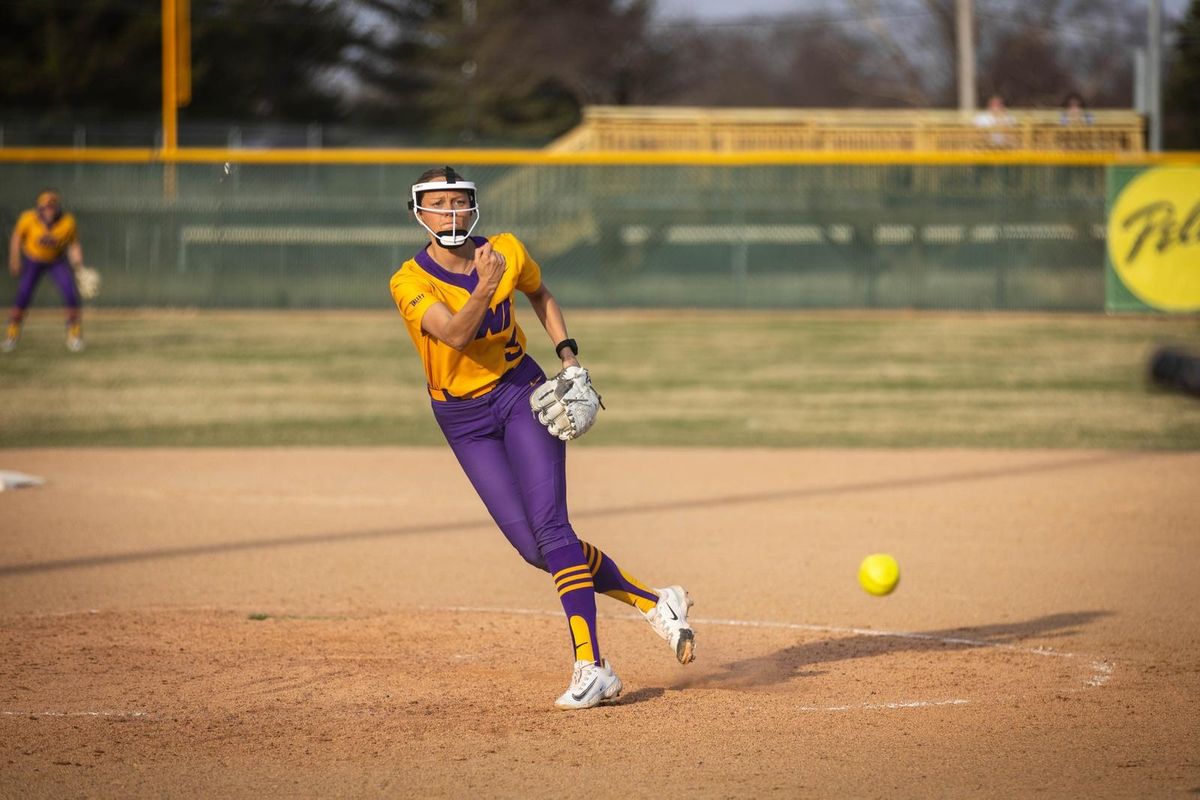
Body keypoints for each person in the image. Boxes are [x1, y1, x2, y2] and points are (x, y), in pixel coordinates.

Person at [388, 166, 696, 710]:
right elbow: (456, 334)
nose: (450, 213)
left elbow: (541, 293)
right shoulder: (408, 281)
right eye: (438, 204)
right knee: (536, 550)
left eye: (458, 202)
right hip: (460, 418)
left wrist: (568, 357)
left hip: (519, 393)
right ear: (419, 213)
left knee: (553, 528)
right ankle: (656, 602)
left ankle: (592, 666)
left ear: (472, 205)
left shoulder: (506, 249)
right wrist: (485, 283)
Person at [5, 190, 87, 353]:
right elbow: (16, 238)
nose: (49, 210)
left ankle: (74, 336)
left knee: (70, 293)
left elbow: (74, 244)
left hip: (56, 260)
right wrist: (15, 259)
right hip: (33, 260)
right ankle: (11, 335)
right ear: (39, 208)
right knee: (23, 294)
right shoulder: (28, 218)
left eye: (52, 207)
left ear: (57, 208)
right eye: (45, 207)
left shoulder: (67, 222)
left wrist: (79, 265)